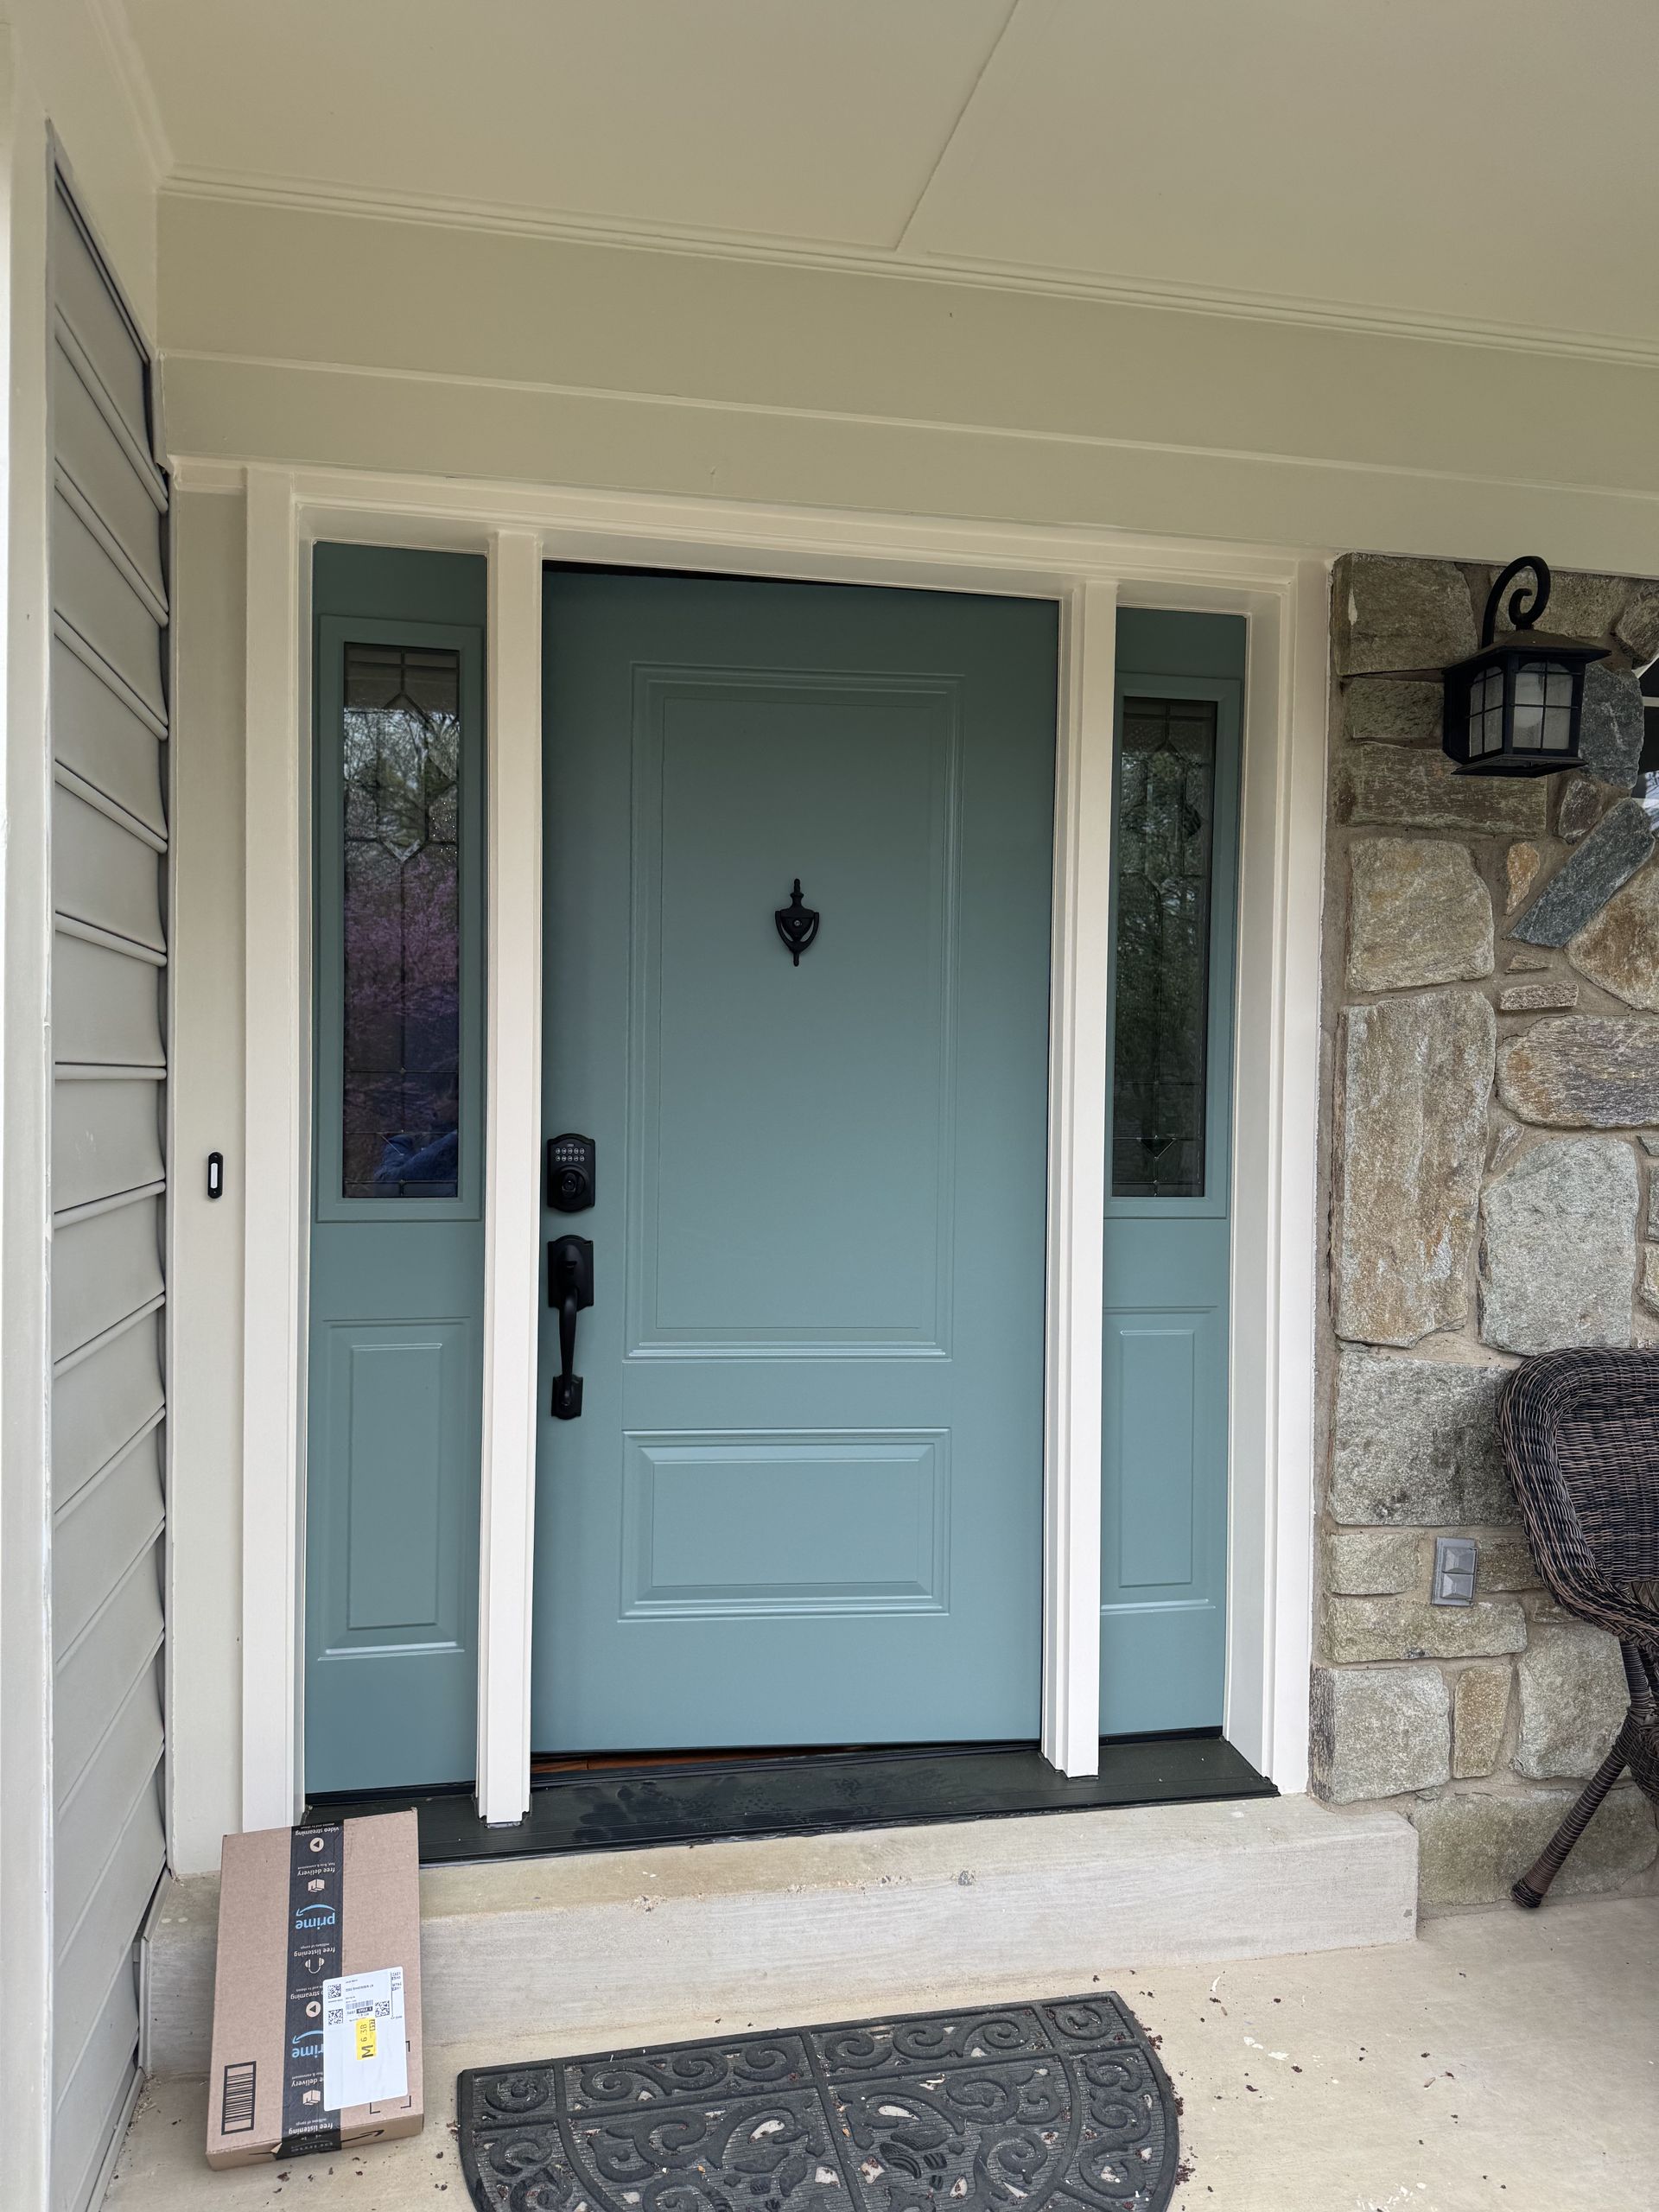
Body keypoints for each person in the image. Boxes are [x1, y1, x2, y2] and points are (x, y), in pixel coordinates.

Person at [373, 1071, 459, 1194]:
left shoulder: (480, 1149)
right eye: (455, 1098)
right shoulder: (406, 1143)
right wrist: (455, 1138)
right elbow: (388, 1186)